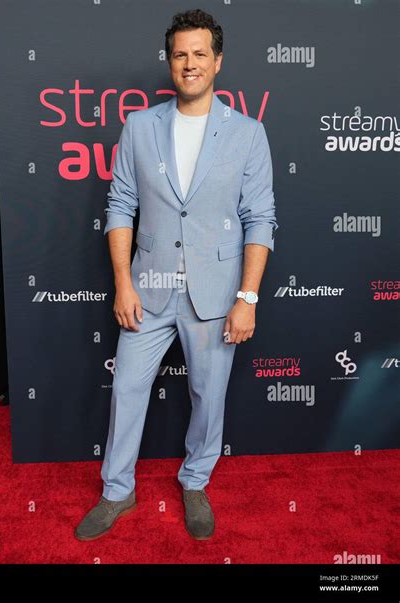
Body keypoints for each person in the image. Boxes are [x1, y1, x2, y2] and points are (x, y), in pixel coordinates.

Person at [75, 8, 279, 541]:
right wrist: (123, 282)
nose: (190, 63)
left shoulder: (249, 134)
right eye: (180, 54)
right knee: (126, 392)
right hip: (148, 287)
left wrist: (248, 297)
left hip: (216, 295)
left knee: (209, 399)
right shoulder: (141, 125)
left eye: (200, 54)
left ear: (218, 62)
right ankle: (118, 491)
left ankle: (195, 482)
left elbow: (261, 219)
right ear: (170, 62)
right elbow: (120, 204)